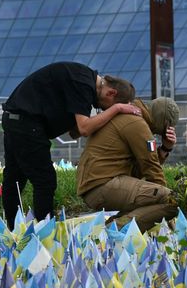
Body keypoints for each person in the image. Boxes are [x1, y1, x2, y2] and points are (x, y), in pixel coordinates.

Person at [1, 62, 141, 230]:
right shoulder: (83, 84)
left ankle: (11, 228)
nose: (104, 110)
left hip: (15, 119)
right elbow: (84, 128)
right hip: (26, 123)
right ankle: (45, 232)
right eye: (108, 107)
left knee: (15, 178)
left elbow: (74, 132)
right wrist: (117, 108)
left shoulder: (83, 79)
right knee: (44, 180)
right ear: (111, 93)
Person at [76, 97, 180, 231]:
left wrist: (165, 148)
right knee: (172, 200)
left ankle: (107, 229)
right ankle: (112, 232)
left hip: (97, 184)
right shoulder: (137, 123)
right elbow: (151, 167)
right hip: (103, 184)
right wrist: (167, 203)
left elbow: (140, 171)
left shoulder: (133, 118)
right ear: (165, 124)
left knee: (151, 200)